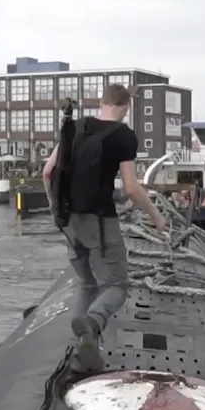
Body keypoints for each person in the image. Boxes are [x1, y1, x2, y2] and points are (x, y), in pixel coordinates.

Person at [42, 84, 167, 373]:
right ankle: (94, 321)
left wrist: (54, 209)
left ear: (102, 102)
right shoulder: (123, 135)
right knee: (116, 286)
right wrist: (157, 218)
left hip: (69, 221)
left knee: (87, 284)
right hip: (100, 222)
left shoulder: (75, 127)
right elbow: (132, 188)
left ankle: (79, 352)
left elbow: (47, 173)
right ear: (126, 107)